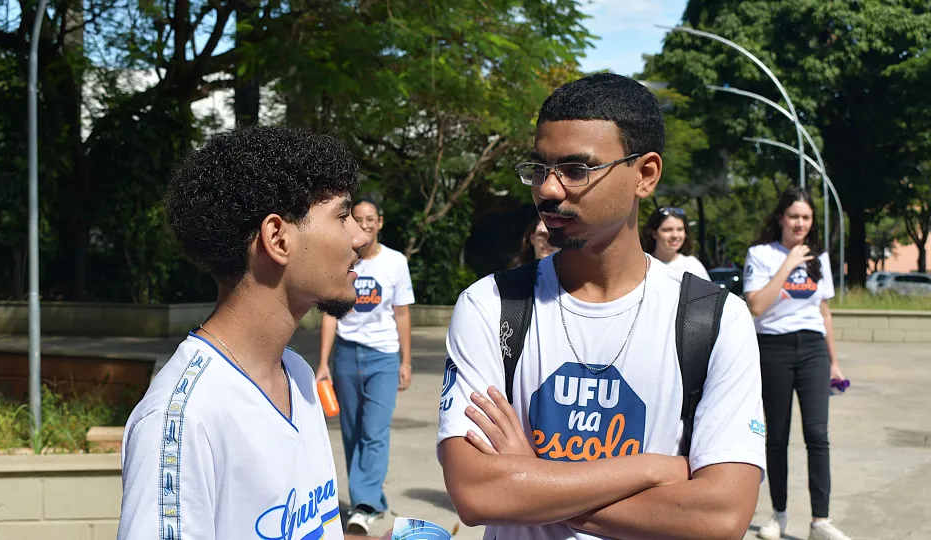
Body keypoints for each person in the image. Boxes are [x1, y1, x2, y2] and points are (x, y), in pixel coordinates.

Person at [436, 73, 766, 540]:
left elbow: (720, 516)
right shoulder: (491, 305)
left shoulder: (711, 320)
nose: (548, 190)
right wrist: (650, 469)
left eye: (576, 170)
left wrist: (532, 481)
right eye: (540, 167)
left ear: (645, 175)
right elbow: (478, 494)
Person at [117, 126, 390, 540]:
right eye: (342, 215)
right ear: (278, 238)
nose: (359, 236)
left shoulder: (297, 376)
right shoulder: (183, 419)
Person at [745, 186, 851, 540]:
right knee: (776, 437)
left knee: (818, 435)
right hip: (773, 348)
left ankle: (821, 521)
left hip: (812, 350)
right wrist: (789, 264)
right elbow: (757, 306)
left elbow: (824, 312)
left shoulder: (818, 258)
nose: (800, 223)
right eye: (794, 216)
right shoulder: (761, 254)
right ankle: (779, 514)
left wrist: (834, 362)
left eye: (806, 217)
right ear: (781, 219)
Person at [317, 199, 415, 534]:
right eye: (357, 219)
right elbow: (331, 315)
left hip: (383, 357)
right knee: (351, 432)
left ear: (380, 222)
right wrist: (323, 363)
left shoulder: (395, 262)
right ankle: (371, 496)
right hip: (346, 356)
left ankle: (364, 504)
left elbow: (402, 314)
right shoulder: (342, 260)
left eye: (370, 218)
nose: (364, 224)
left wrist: (405, 361)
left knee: (374, 431)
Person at [641, 206, 711, 282]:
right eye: (667, 230)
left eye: (680, 229)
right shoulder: (642, 266)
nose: (675, 235)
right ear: (654, 233)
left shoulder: (693, 266)